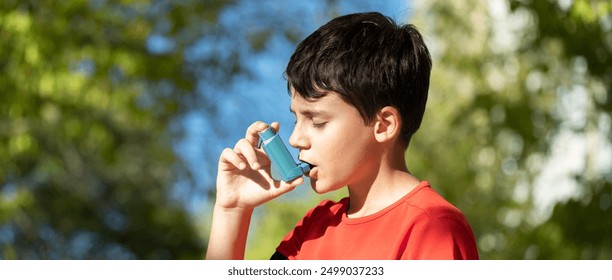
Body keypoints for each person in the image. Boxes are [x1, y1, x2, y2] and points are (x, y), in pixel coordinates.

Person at [206, 12, 479, 260]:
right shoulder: (315, 227)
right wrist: (233, 211)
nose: (295, 139)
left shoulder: (432, 227)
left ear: (383, 125)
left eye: (317, 121)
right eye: (296, 118)